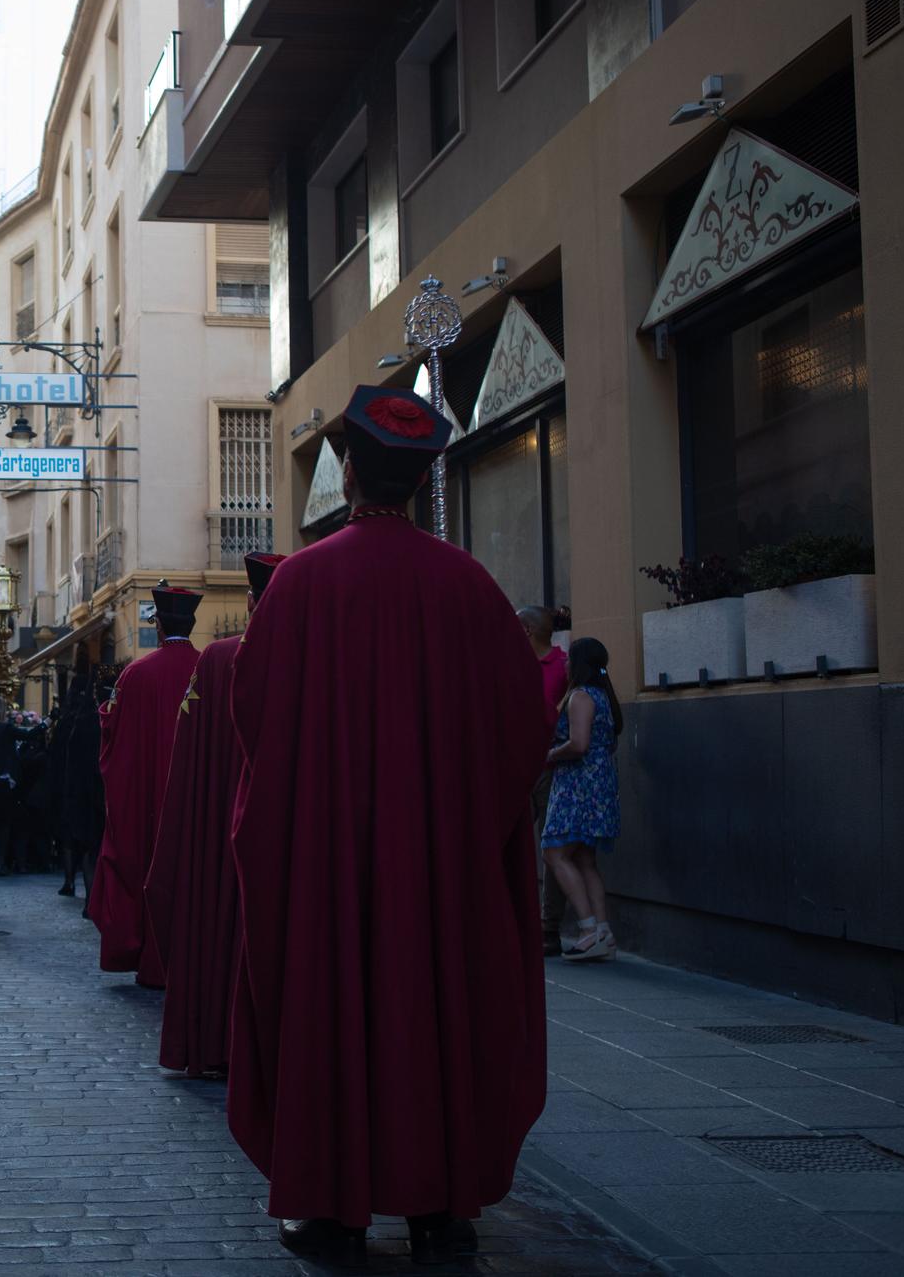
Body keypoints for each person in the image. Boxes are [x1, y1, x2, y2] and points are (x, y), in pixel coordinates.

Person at [228, 385, 553, 1266]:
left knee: (334, 1001)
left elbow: (255, 719)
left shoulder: (298, 587)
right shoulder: (472, 588)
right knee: (437, 1002)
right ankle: (441, 1207)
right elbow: (525, 724)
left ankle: (331, 1207)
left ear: (349, 467)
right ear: (417, 477)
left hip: (331, 857)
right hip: (439, 865)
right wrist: (458, 820)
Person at [144, 553, 283, 1078]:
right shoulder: (310, 656)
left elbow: (188, 766)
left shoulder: (218, 661)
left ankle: (217, 1042)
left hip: (223, 830)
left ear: (249, 601)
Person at [89, 586, 202, 986]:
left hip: (148, 799)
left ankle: (147, 954)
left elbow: (113, 735)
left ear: (157, 625)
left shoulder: (135, 675)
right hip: (194, 801)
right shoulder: (207, 668)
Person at [543, 637, 624, 963]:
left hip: (577, 785)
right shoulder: (603, 696)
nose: (563, 664)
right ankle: (603, 931)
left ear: (578, 664)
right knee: (585, 859)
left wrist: (548, 755)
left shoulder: (579, 697)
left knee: (554, 853)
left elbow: (578, 744)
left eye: (569, 659)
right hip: (599, 784)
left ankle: (588, 929)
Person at [520, 605, 571, 955]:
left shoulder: (564, 666)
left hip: (552, 769)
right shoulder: (510, 663)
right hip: (516, 766)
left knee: (553, 850)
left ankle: (547, 928)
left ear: (527, 630)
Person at [49, 674, 103, 902]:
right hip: (102, 788)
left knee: (77, 841)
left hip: (75, 787)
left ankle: (75, 885)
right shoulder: (106, 719)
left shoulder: (73, 722)